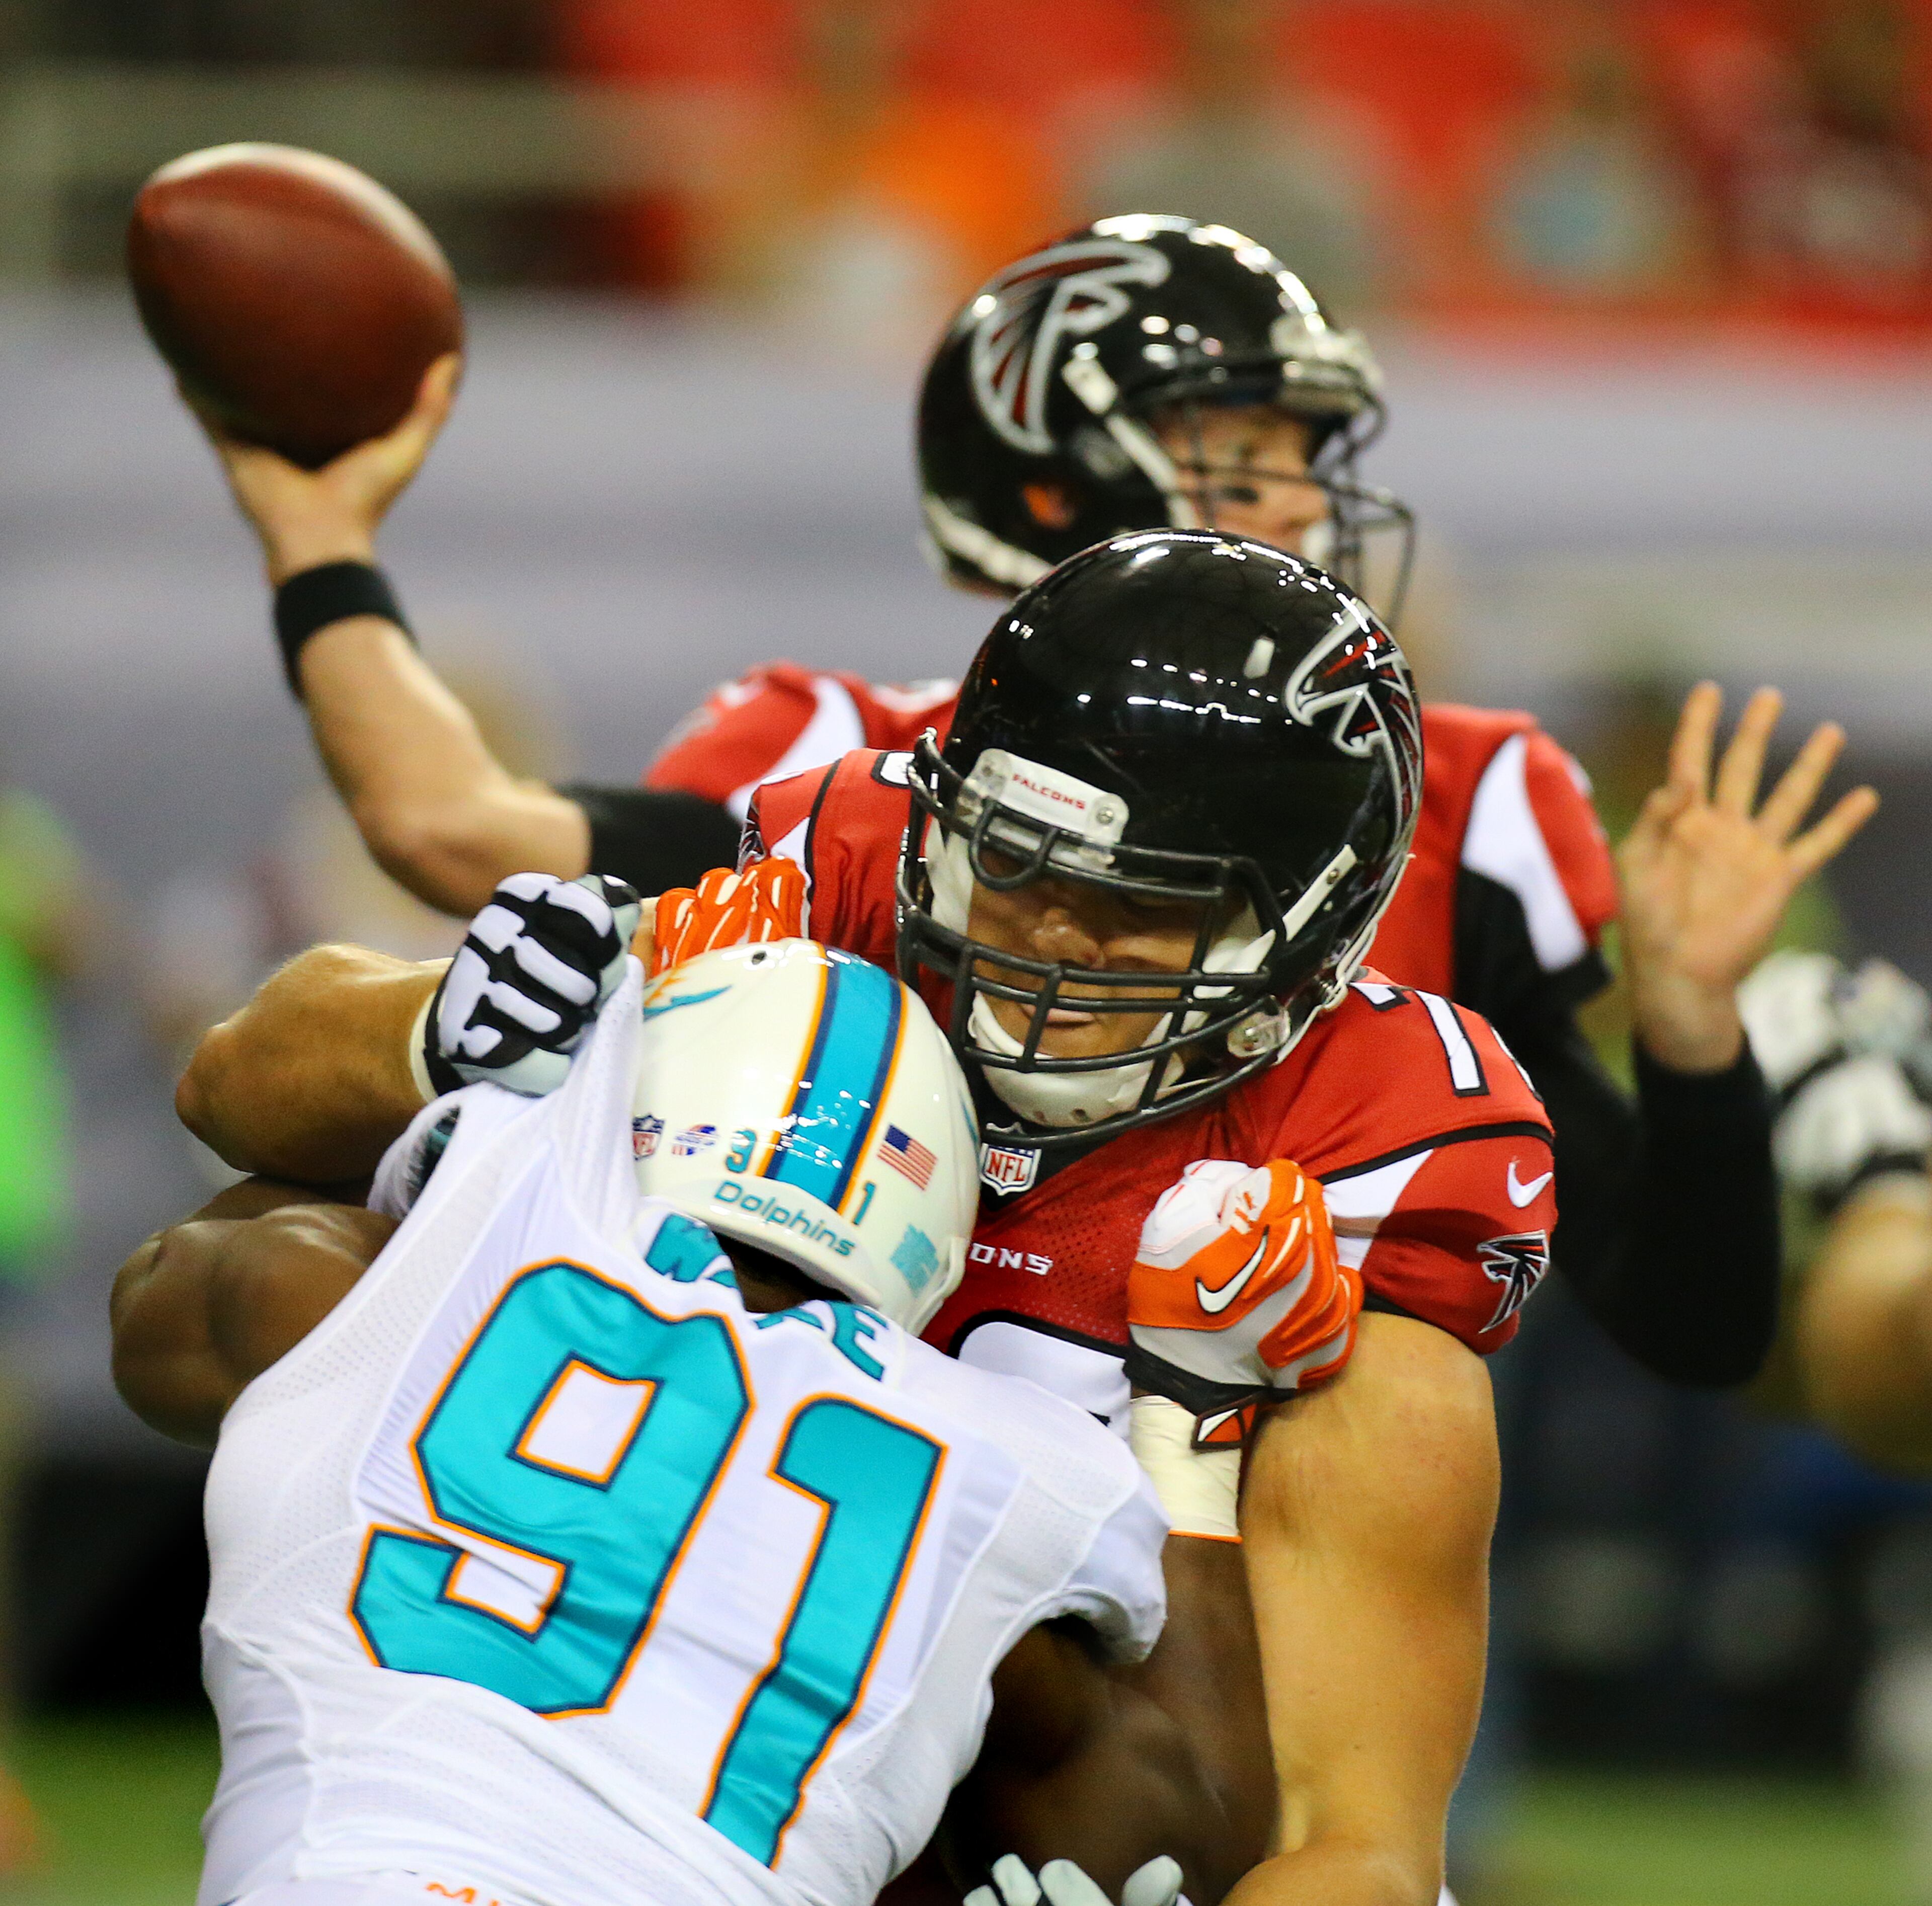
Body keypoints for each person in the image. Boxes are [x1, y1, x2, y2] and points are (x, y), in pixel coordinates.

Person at [188, 214, 1874, 1398]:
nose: (1301, 497)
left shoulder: (1441, 802)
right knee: (269, 1258)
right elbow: (440, 816)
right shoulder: (846, 782)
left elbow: (1690, 1319)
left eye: (1306, 452)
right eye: (1239, 449)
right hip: (828, 1476)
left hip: (1228, 1567)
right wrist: (319, 538)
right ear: (1060, 481)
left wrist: (1693, 1032)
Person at [180, 534, 1552, 1905]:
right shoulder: (819, 908)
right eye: (1017, 862)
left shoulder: (1357, 1181)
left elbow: (1351, 1849)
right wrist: (453, 1024)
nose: (1056, 941)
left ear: (1312, 930)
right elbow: (238, 1093)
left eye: (1142, 905)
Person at [114, 934, 1239, 1906]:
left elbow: (162, 1308)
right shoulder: (1001, 1475)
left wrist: (439, 1173)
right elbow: (1180, 1837)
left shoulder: (394, 1283)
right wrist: (1195, 1424)